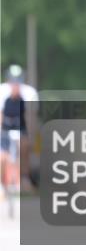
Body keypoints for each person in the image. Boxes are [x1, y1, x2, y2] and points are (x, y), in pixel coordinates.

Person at [0, 65, 38, 196]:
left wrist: (30, 136)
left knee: (24, 147)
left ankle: (25, 177)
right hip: (4, 131)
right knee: (3, 157)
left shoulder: (28, 93)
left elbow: (30, 118)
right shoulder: (2, 92)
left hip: (21, 130)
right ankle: (1, 183)